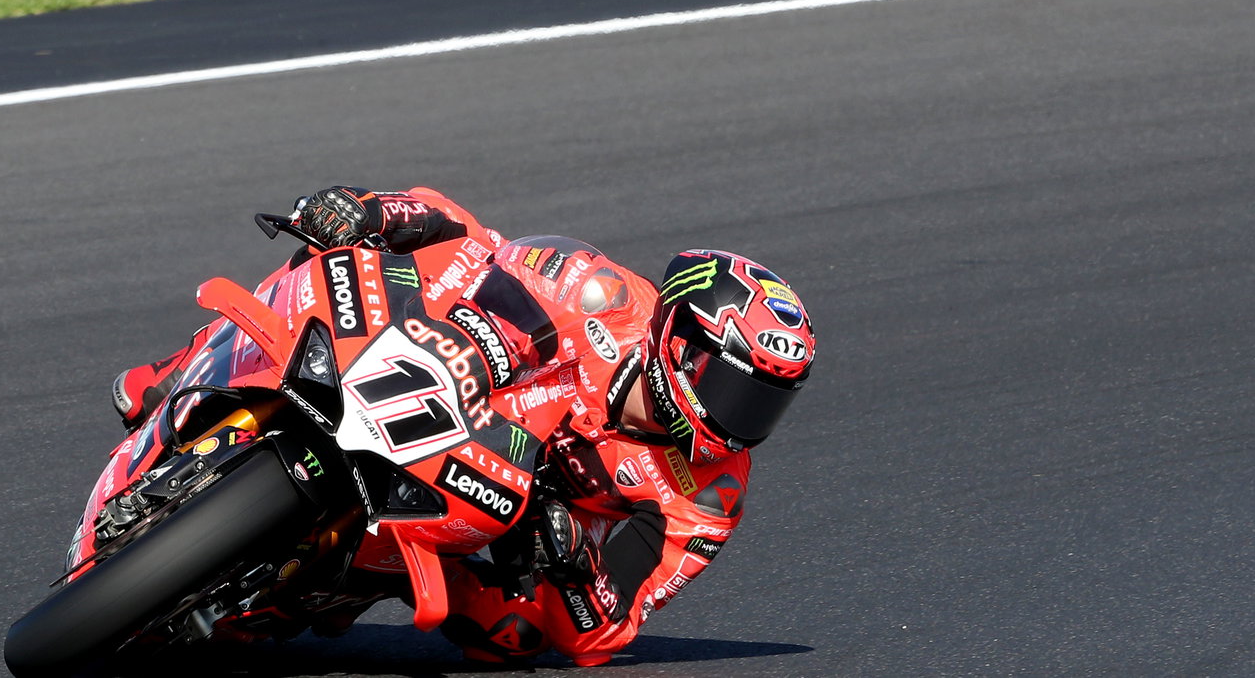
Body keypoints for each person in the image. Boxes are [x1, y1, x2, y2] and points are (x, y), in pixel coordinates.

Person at [110, 187, 816, 667]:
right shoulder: (595, 289)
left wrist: (571, 563)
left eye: (763, 402)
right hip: (447, 386)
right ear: (680, 345)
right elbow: (470, 240)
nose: (741, 419)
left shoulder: (707, 500)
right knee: (330, 256)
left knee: (513, 637)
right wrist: (371, 212)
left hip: (498, 523)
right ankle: (183, 366)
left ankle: (313, 579)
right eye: (734, 386)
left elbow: (604, 628)